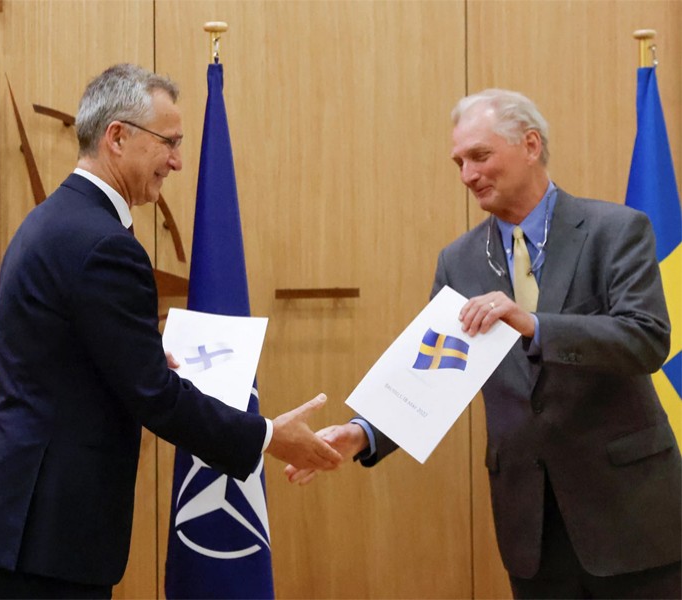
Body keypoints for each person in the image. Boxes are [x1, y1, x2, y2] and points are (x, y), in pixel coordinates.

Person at [0, 63, 341, 599]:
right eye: (170, 143)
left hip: (12, 525)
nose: (178, 162)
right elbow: (155, 398)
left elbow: (4, 354)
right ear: (118, 137)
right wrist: (271, 437)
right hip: (50, 539)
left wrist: (119, 357)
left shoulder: (43, 222)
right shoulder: (106, 245)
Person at [287, 89, 681, 598]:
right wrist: (363, 432)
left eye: (480, 156)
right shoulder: (460, 260)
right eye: (459, 162)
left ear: (531, 145)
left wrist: (535, 324)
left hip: (631, 516)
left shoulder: (615, 231)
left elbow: (647, 339)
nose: (467, 176)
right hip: (532, 528)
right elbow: (433, 376)